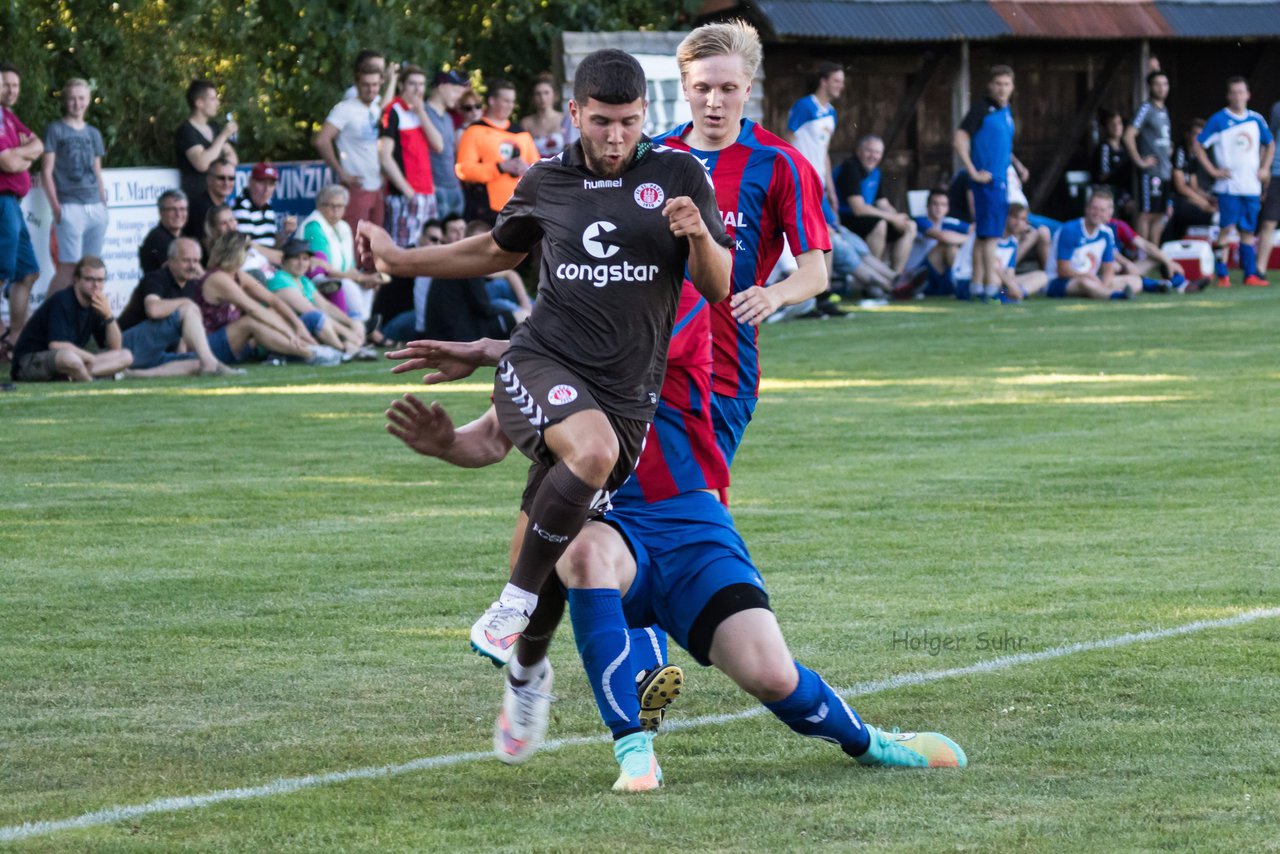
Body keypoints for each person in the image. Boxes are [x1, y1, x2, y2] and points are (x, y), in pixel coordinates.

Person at [382, 317, 967, 791]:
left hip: (689, 522)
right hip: (609, 524)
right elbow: (490, 437)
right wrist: (447, 444)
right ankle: (627, 746)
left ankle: (871, 742)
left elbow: (612, 344)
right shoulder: (544, 332)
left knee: (771, 676)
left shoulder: (675, 300)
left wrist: (492, 348)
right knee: (578, 551)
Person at [359, 48, 732, 663]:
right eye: (601, 122)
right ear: (574, 112)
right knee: (591, 451)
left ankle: (526, 670)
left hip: (626, 392)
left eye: (630, 122)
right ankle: (511, 604)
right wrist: (399, 259)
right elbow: (496, 252)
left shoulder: (681, 176)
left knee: (545, 536)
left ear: (646, 115)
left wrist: (697, 233)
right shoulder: (547, 179)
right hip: (541, 355)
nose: (615, 138)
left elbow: (717, 286)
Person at [652, 19, 829, 464]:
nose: (715, 102)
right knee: (620, 513)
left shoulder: (781, 164)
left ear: (747, 89)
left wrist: (774, 296)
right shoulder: (653, 158)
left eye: (728, 88)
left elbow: (816, 272)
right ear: (685, 87)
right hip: (641, 368)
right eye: (703, 87)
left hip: (723, 374)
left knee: (686, 506)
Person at [192, 231, 341, 367]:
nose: (251, 255)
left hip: (236, 344)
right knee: (250, 322)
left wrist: (298, 327)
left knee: (272, 312)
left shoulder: (238, 275)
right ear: (237, 253)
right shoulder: (218, 278)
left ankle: (295, 351)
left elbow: (273, 300)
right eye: (248, 251)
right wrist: (288, 332)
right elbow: (252, 308)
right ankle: (310, 353)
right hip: (207, 348)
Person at [118, 237, 245, 377]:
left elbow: (188, 327)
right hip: (125, 346)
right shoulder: (156, 278)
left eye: (196, 261)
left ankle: (134, 374)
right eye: (186, 260)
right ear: (171, 260)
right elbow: (153, 310)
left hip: (156, 354)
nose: (192, 266)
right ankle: (211, 364)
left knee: (198, 362)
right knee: (188, 308)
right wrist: (185, 302)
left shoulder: (192, 285)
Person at [954, 65, 1028, 302]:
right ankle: (989, 287)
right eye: (998, 84)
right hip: (988, 182)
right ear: (990, 85)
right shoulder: (981, 109)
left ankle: (977, 286)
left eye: (1006, 84)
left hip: (1001, 179)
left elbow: (1003, 144)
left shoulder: (1006, 110)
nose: (1002, 88)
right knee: (991, 236)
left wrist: (1016, 164)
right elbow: (959, 137)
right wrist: (973, 171)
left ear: (1012, 87)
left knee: (984, 235)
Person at [1193, 77, 1275, 288]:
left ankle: (1250, 275)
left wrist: (1265, 168)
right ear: (1229, 95)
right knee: (1226, 228)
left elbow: (1270, 143)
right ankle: (1223, 275)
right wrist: (1212, 170)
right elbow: (1199, 144)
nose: (1238, 97)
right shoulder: (1219, 120)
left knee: (1248, 230)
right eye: (1234, 92)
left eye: (1242, 92)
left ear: (1248, 95)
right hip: (1228, 186)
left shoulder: (1256, 119)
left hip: (1251, 186)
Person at [10, 256, 131, 382]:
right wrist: (90, 358)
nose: (96, 285)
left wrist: (109, 316)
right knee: (69, 357)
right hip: (30, 361)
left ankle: (73, 374)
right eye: (89, 279)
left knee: (125, 355)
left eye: (100, 280)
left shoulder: (97, 303)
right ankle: (89, 381)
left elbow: (115, 347)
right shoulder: (62, 300)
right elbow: (56, 345)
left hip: (70, 361)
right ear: (76, 279)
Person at [40, 78, 109, 295]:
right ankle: (47, 318)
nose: (76, 103)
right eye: (71, 99)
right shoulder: (55, 129)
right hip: (69, 206)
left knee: (92, 266)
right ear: (64, 101)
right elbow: (46, 171)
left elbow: (97, 171)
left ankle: (87, 320)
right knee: (68, 268)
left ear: (88, 101)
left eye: (81, 98)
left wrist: (103, 202)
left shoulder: (94, 133)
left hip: (95, 207)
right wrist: (57, 208)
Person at [453, 78, 539, 223]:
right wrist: (499, 167)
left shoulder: (522, 134)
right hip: (485, 209)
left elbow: (538, 170)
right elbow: (464, 170)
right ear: (492, 101)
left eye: (512, 101)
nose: (510, 105)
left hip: (520, 209)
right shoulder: (474, 130)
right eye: (506, 100)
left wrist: (527, 170)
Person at [267, 238, 371, 358]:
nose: (301, 263)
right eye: (296, 258)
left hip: (303, 331)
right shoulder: (280, 278)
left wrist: (351, 323)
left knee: (353, 316)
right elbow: (309, 309)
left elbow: (325, 306)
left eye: (305, 259)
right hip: (285, 333)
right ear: (284, 261)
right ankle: (343, 350)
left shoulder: (303, 280)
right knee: (316, 317)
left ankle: (352, 347)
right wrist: (347, 332)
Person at [0, 62, 42, 355]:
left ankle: (15, 340)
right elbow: (9, 163)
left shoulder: (9, 117)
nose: (11, 90)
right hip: (2, 201)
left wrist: (21, 154)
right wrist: (22, 156)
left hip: (13, 204)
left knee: (27, 272)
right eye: (5, 84)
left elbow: (38, 145)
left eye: (15, 85)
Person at [300, 183, 384, 327]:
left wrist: (364, 278)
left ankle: (362, 325)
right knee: (347, 284)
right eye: (330, 206)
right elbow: (325, 269)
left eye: (340, 206)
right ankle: (362, 326)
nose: (335, 211)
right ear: (319, 206)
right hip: (321, 281)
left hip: (340, 276)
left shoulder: (343, 227)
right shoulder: (315, 226)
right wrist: (361, 277)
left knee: (368, 286)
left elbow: (350, 267)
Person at [315, 59, 385, 231]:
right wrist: (342, 173)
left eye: (375, 84)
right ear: (357, 84)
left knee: (375, 247)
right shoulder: (345, 109)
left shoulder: (376, 108)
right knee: (355, 245)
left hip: (377, 187)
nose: (371, 89)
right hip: (356, 188)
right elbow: (320, 140)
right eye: (366, 84)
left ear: (381, 83)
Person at [379, 65, 444, 248]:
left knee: (430, 248)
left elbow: (438, 145)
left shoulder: (419, 111)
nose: (418, 90)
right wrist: (408, 192)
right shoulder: (393, 111)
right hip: (405, 195)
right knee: (404, 249)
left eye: (422, 84)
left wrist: (421, 112)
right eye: (412, 84)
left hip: (426, 193)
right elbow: (384, 157)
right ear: (402, 86)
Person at [836, 135, 917, 276]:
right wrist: (892, 218)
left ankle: (896, 277)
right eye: (869, 151)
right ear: (859, 151)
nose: (873, 156)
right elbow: (858, 208)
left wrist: (898, 218)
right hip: (845, 219)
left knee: (910, 226)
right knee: (880, 225)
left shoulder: (875, 172)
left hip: (864, 218)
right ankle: (876, 279)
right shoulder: (850, 168)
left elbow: (883, 203)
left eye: (877, 152)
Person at [1046, 188, 1141, 300]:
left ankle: (1101, 292)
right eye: (1094, 209)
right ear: (1087, 208)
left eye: (1102, 210)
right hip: (1060, 281)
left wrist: (1103, 285)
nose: (1097, 213)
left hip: (1093, 279)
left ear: (1109, 212)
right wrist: (1086, 276)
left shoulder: (1106, 233)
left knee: (1135, 281)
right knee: (1084, 282)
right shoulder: (1070, 230)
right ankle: (1115, 295)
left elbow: (1108, 269)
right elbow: (1062, 270)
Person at [1124, 71, 1173, 247]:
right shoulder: (1146, 108)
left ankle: (1153, 253)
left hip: (1165, 170)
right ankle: (1141, 253)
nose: (1161, 88)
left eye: (1165, 84)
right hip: (1150, 172)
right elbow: (1128, 135)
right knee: (1146, 213)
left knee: (1160, 214)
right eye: (1157, 84)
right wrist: (1139, 161)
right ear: (1150, 87)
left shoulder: (1164, 109)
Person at [785, 61, 842, 210]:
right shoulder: (804, 106)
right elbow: (788, 142)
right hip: (802, 181)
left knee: (832, 226)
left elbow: (824, 152)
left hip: (820, 183)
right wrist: (792, 177)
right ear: (823, 81)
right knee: (824, 229)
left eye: (842, 82)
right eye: (836, 81)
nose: (840, 85)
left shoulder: (832, 113)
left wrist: (831, 190)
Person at [174, 79, 237, 200]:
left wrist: (213, 157)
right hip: (196, 199)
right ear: (199, 103)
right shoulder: (186, 130)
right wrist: (223, 136)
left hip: (217, 198)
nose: (217, 103)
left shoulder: (214, 128)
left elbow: (233, 159)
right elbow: (202, 164)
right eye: (213, 99)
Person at [232, 161, 296, 264]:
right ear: (250, 182)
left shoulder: (268, 206)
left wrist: (285, 233)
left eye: (271, 184)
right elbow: (246, 246)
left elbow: (271, 244)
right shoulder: (241, 206)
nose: (266, 189)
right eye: (262, 183)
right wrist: (280, 257)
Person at [911, 188, 971, 297]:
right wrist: (969, 239)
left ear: (948, 208)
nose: (939, 208)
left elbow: (974, 230)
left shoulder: (949, 222)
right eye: (935, 204)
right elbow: (942, 237)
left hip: (942, 276)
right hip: (919, 276)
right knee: (946, 245)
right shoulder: (920, 221)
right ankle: (965, 287)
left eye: (943, 205)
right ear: (928, 206)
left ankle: (967, 286)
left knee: (955, 247)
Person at [425, 70, 469, 219]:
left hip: (454, 187)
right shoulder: (423, 113)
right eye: (456, 91)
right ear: (442, 86)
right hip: (435, 188)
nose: (458, 98)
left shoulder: (449, 118)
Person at [1169, 119, 1216, 241]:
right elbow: (1181, 187)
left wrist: (1209, 199)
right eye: (1196, 134)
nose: (1198, 139)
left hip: (1186, 197)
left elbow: (1193, 186)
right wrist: (1203, 203)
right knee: (1207, 215)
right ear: (1188, 135)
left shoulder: (1194, 155)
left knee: (1214, 209)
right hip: (1172, 200)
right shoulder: (1180, 151)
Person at [994, 204, 1047, 300]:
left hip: (1003, 282)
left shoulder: (1013, 242)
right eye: (1015, 217)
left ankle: (1018, 293)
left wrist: (1012, 285)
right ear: (1006, 217)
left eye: (1023, 219)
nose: (1018, 223)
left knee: (1042, 276)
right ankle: (1009, 293)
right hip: (982, 279)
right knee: (995, 280)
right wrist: (1011, 284)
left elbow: (1010, 273)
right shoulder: (992, 236)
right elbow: (994, 265)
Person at [1094, 108, 1135, 219]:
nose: (1116, 127)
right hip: (1108, 189)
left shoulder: (1124, 147)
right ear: (1106, 127)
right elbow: (1103, 176)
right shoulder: (1104, 147)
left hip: (1124, 190)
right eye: (1112, 124)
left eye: (1119, 123)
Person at [1256, 99, 1280, 280]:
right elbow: (1268, 141)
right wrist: (1263, 168)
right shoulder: (1277, 108)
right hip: (1277, 172)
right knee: (1268, 222)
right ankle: (1260, 269)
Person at [519, 73, 569, 159]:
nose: (542, 97)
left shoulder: (565, 119)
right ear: (532, 98)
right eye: (538, 94)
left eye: (546, 93)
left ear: (554, 95)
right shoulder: (526, 123)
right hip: (535, 168)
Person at [185, 157, 236, 239]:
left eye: (231, 178)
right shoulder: (199, 208)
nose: (226, 183)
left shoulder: (223, 205)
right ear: (209, 180)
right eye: (221, 178)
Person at [139, 189, 188, 274]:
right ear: (161, 212)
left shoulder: (183, 237)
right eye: (172, 209)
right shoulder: (157, 239)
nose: (178, 214)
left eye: (182, 209)